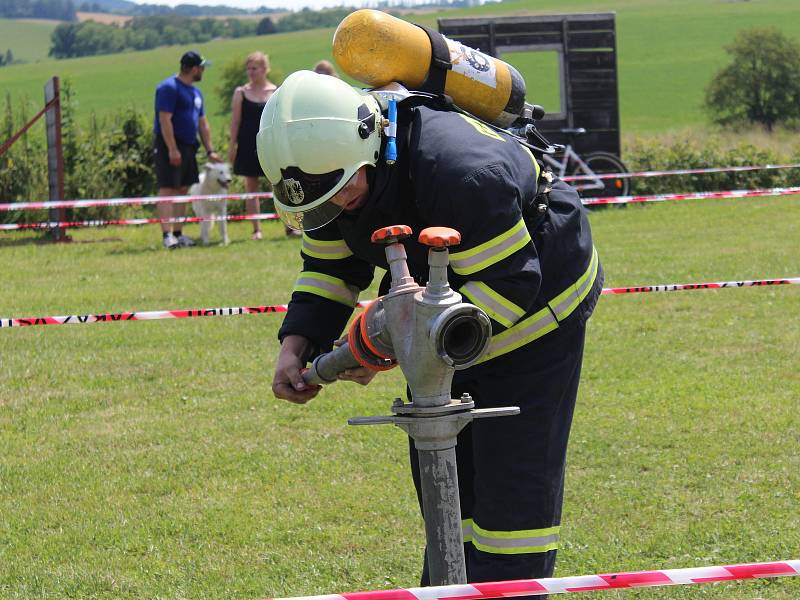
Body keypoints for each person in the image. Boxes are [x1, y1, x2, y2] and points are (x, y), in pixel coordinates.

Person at [259, 71, 603, 587]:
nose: (332, 210)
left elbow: (509, 287)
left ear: (369, 147)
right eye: (316, 206)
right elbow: (330, 267)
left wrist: (391, 345)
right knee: (446, 488)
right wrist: (298, 344)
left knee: (512, 496)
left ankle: (510, 582)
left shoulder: (462, 172)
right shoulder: (332, 177)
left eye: (339, 195)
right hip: (443, 304)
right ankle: (448, 582)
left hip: (536, 307)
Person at [153, 50, 220, 249]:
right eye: (201, 68)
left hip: (190, 146)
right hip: (170, 146)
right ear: (193, 68)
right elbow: (164, 119)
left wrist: (210, 150)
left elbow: (203, 123)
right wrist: (172, 149)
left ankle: (178, 233)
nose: (203, 72)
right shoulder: (168, 88)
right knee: (167, 190)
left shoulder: (196, 92)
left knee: (182, 189)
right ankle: (167, 236)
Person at [228, 51, 283, 240]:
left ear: (264, 69)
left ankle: (289, 226)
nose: (251, 72)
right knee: (251, 187)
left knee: (278, 185)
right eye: (248, 68)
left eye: (254, 68)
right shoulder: (240, 93)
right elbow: (235, 121)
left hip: (269, 146)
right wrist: (231, 146)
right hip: (246, 146)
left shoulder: (275, 91)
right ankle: (256, 229)